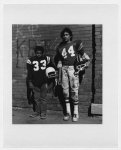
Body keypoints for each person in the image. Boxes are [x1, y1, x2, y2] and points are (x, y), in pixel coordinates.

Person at [54, 27, 90, 122]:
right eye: (63, 35)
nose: (65, 36)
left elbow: (84, 56)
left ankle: (76, 113)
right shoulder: (60, 47)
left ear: (70, 35)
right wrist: (59, 65)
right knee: (65, 91)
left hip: (73, 68)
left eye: (67, 34)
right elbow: (58, 59)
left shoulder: (76, 44)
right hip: (64, 69)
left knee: (74, 91)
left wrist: (85, 63)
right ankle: (68, 112)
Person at [26, 46, 56, 119]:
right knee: (36, 99)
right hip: (35, 82)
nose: (38, 54)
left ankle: (43, 113)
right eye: (37, 53)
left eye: (40, 53)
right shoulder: (30, 60)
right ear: (35, 52)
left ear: (42, 53)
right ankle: (37, 112)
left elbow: (52, 69)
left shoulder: (47, 59)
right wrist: (30, 82)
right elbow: (29, 73)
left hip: (44, 82)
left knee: (43, 99)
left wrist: (51, 82)